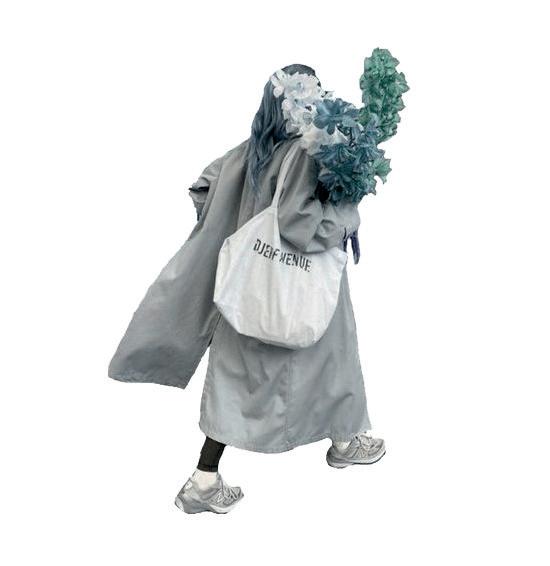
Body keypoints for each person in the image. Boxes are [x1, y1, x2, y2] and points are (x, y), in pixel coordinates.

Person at [109, 64, 385, 516]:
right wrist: (345, 217)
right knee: (330, 360)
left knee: (236, 384)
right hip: (299, 286)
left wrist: (234, 225)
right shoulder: (304, 153)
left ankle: (205, 480)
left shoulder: (252, 150)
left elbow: (203, 187)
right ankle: (345, 443)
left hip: (249, 289)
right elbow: (299, 225)